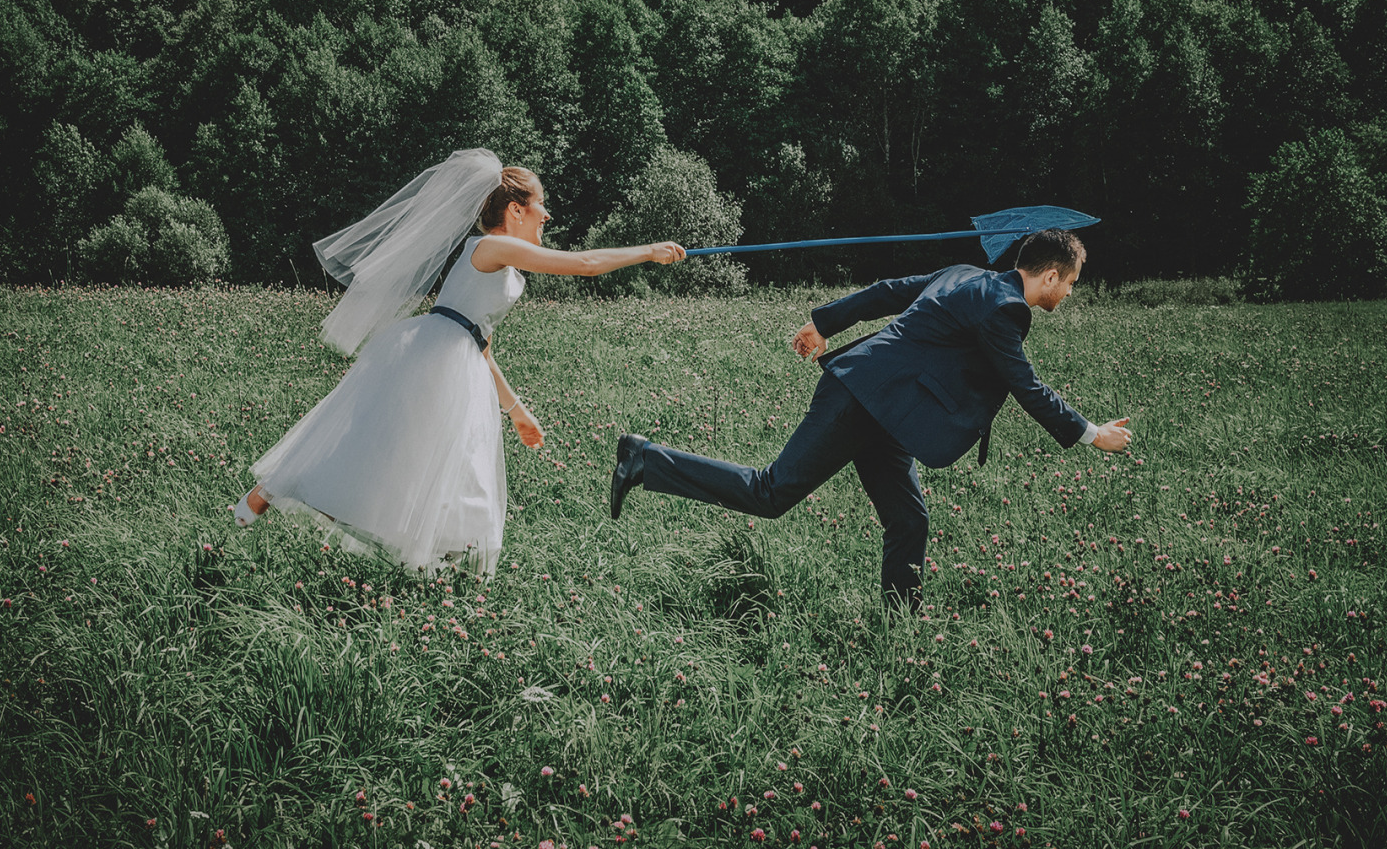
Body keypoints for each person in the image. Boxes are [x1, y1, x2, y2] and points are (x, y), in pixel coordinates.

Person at [608, 228, 1130, 610]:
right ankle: (645, 460)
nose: (1068, 294)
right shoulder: (1004, 309)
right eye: (1071, 284)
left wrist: (823, 322)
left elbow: (887, 290)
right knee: (771, 493)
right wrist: (1091, 434)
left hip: (889, 412)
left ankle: (899, 627)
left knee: (909, 519)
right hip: (861, 397)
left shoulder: (964, 275)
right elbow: (1026, 385)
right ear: (1052, 274)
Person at [233, 148, 685, 574]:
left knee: (413, 459)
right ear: (515, 211)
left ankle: (434, 559)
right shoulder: (489, 247)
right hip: (433, 358)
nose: (547, 214)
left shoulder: (503, 263)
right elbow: (584, 263)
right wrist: (648, 251)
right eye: (541, 204)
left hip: (458, 357)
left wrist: (516, 410)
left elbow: (480, 341)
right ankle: (277, 492)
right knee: (396, 453)